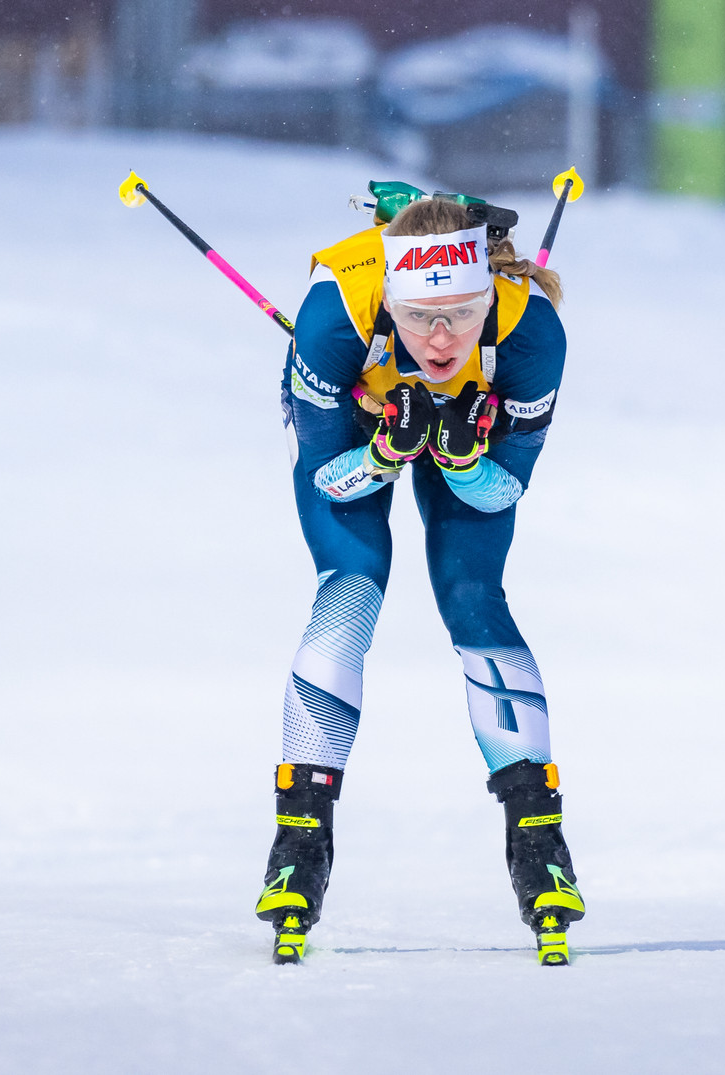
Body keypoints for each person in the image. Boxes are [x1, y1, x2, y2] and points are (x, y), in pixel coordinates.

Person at [253, 189, 583, 966]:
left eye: (464, 314)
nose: (442, 337)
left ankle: (538, 834)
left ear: (489, 292)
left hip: (474, 422)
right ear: (389, 301)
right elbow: (327, 478)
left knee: (473, 595)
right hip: (357, 426)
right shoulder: (335, 317)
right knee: (352, 581)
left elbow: (505, 488)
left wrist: (463, 456)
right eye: (421, 316)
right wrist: (381, 453)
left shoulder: (531, 332)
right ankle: (301, 834)